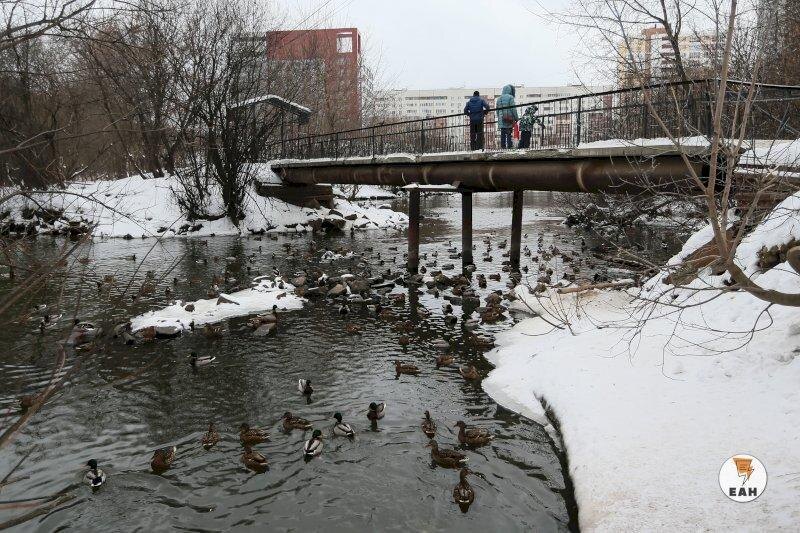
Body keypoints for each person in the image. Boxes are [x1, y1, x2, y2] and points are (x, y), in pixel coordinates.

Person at [495, 84, 518, 149]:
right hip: (509, 118)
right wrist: (516, 118)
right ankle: (509, 146)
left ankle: (503, 146)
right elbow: (513, 109)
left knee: (502, 133)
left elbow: (497, 110)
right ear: (509, 90)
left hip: (501, 118)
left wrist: (499, 117)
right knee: (508, 133)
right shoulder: (510, 97)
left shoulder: (499, 99)